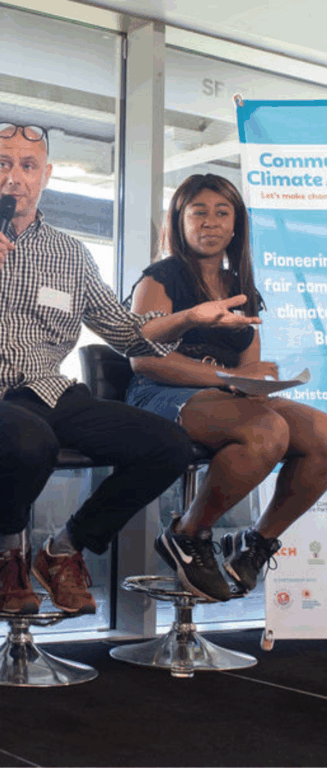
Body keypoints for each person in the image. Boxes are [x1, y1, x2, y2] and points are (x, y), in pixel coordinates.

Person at [0, 122, 260, 617]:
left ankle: (64, 549)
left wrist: (189, 318)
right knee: (28, 439)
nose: (15, 177)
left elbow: (126, 332)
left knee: (167, 445)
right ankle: (5, 552)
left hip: (48, 392)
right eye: (4, 164)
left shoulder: (70, 254)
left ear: (46, 175)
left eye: (28, 166)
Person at [126, 173, 327, 602]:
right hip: (158, 395)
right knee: (266, 429)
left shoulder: (241, 288)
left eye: (222, 213)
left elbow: (248, 365)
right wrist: (223, 379)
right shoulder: (160, 277)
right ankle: (188, 534)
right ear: (179, 221)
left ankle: (256, 543)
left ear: (236, 225)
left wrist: (255, 381)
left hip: (225, 398)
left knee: (323, 434)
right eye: (198, 212)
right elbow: (143, 357)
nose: (210, 222)